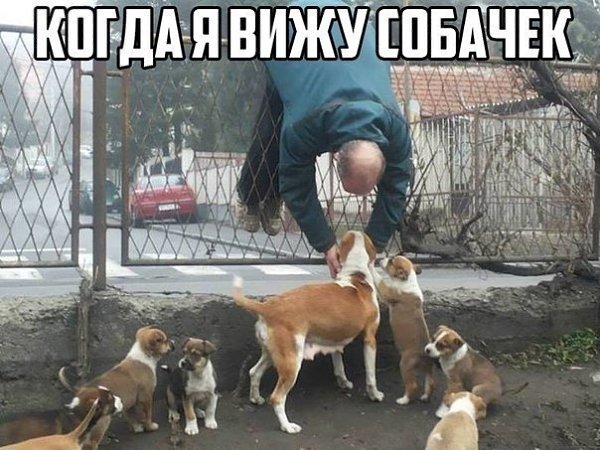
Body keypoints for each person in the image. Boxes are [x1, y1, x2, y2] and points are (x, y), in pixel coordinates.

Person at [236, 0, 413, 278]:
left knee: (287, 135)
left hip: (351, 31)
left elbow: (396, 187)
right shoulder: (305, 124)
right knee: (273, 125)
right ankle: (252, 197)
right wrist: (326, 244)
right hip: (289, 33)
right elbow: (296, 184)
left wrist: (372, 246)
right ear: (336, 155)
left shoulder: (396, 129)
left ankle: (267, 198)